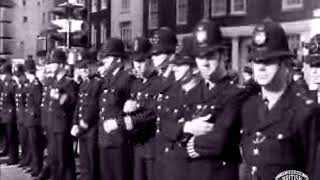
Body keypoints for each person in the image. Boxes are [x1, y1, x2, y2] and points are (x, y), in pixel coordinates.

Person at [240, 19, 319, 180]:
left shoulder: (305, 112)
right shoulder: (249, 108)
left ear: (284, 63)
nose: (261, 67)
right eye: (256, 61)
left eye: (268, 61)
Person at [182, 19, 246, 180]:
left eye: (210, 55)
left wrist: (189, 143)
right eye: (199, 56)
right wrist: (186, 128)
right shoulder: (193, 92)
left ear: (223, 55)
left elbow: (219, 141)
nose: (204, 62)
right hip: (192, 173)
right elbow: (171, 128)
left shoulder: (235, 94)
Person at [121, 37, 158, 180]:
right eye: (135, 61)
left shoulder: (158, 82)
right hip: (137, 145)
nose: (138, 65)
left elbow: (152, 113)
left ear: (150, 60)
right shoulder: (135, 84)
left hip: (152, 145)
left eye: (142, 61)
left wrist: (134, 112)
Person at [97, 38, 135, 180]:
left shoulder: (126, 79)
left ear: (119, 60)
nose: (104, 59)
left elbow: (130, 111)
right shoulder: (107, 79)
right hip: (105, 138)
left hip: (118, 139)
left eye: (108, 56)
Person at [46, 49, 78, 180]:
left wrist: (59, 96)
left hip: (62, 125)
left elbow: (72, 102)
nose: (51, 66)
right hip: (53, 124)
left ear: (60, 64)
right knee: (54, 156)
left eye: (53, 63)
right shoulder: (53, 81)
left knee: (62, 157)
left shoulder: (69, 83)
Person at [71, 48, 100, 180]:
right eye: (84, 67)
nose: (86, 69)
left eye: (89, 66)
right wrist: (75, 123)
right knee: (83, 160)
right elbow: (79, 105)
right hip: (82, 128)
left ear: (95, 66)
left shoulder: (97, 83)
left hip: (91, 128)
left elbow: (94, 107)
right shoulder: (84, 83)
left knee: (92, 160)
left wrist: (82, 124)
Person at [24, 59, 44, 177]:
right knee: (32, 144)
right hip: (30, 119)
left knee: (36, 145)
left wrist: (32, 115)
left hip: (34, 120)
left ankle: (37, 167)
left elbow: (37, 102)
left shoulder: (36, 85)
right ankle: (34, 166)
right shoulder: (32, 84)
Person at [1, 61, 19, 165]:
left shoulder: (12, 84)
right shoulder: (5, 84)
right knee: (8, 136)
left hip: (10, 114)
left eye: (4, 73)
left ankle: (14, 157)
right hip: (5, 114)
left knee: (12, 137)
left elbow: (14, 100)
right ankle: (9, 154)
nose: (3, 76)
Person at [13, 64, 31, 169]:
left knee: (27, 141)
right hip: (20, 117)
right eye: (17, 76)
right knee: (22, 140)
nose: (18, 78)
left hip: (25, 117)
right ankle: (24, 159)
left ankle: (28, 160)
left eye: (19, 76)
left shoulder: (27, 86)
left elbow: (27, 103)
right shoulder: (18, 87)